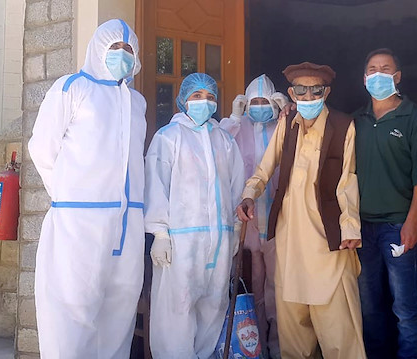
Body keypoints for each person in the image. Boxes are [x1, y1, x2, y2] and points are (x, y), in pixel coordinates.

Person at [28, 19, 146, 357]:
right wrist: (70, 197)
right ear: (97, 48)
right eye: (114, 48)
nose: (122, 55)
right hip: (79, 220)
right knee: (72, 308)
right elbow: (42, 148)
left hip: (128, 222)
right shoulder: (72, 87)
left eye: (128, 50)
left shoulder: (136, 102)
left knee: (119, 308)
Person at [237, 62, 366, 359]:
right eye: (301, 91)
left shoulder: (344, 125)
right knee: (293, 331)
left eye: (315, 90)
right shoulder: (287, 123)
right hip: (290, 239)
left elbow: (348, 181)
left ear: (326, 92)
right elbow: (265, 168)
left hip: (328, 241)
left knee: (340, 333)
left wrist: (350, 228)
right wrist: (249, 195)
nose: (308, 97)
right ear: (292, 94)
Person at [144, 72, 244, 358]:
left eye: (210, 97)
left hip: (219, 240)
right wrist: (160, 233)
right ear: (183, 101)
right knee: (177, 308)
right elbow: (156, 185)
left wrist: (235, 228)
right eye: (197, 96)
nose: (204, 102)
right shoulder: (168, 137)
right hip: (180, 241)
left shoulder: (225, 141)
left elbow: (236, 185)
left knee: (214, 305)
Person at [353, 48, 417, 359]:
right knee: (369, 306)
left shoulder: (415, 117)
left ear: (397, 76)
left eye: (385, 68)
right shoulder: (356, 120)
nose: (378, 74)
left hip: (399, 226)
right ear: (364, 78)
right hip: (362, 229)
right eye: (372, 69)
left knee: (405, 307)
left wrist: (412, 222)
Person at [220, 74, 289, 359]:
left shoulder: (282, 127)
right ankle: (253, 346)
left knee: (279, 287)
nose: (259, 106)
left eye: (265, 101)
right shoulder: (238, 128)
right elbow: (220, 146)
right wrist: (234, 118)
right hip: (247, 220)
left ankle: (279, 347)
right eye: (254, 102)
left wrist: (288, 113)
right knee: (251, 283)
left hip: (277, 218)